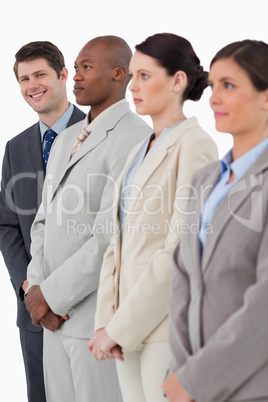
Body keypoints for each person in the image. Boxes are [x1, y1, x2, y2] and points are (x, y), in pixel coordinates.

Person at [88, 33, 218, 402]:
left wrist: (120, 327)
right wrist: (106, 323)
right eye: (132, 76)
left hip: (163, 327)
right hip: (125, 330)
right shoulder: (138, 151)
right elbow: (118, 243)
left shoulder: (195, 145)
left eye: (145, 75)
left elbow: (181, 248)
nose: (133, 86)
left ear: (177, 81)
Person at [25, 35, 152, 402]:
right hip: (51, 322)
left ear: (118, 74)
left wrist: (50, 295)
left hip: (93, 322)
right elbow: (42, 222)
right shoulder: (65, 140)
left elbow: (109, 236)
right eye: (76, 67)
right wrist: (36, 288)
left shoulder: (135, 138)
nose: (76, 76)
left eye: (86, 67)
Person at [163, 39, 268, 402]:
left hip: (251, 387)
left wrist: (197, 379)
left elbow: (264, 307)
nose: (213, 98)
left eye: (229, 86)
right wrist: (180, 372)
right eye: (213, 86)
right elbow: (183, 281)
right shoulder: (205, 180)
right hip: (189, 383)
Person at [0, 41, 86, 402]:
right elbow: (6, 224)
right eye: (24, 79)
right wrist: (28, 287)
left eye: (40, 75)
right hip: (33, 311)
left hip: (86, 307)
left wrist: (60, 292)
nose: (32, 85)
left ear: (63, 75)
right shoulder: (15, 148)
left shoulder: (105, 133)